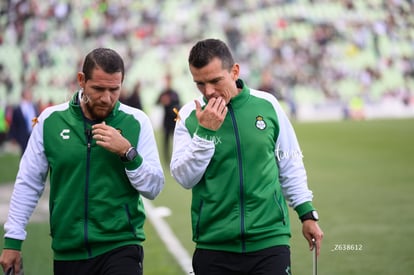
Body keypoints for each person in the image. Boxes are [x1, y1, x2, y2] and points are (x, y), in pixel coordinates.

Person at [0, 48, 164, 275]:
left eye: (114, 89)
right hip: (68, 252)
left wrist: (127, 152)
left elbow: (154, 187)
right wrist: (13, 241)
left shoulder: (137, 122)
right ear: (81, 80)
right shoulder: (50, 121)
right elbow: (28, 182)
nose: (106, 98)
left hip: (121, 246)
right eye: (98, 88)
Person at [170, 38, 323, 275]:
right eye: (199, 84)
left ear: (235, 71)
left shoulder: (268, 105)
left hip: (270, 241)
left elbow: (289, 162)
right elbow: (183, 177)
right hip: (214, 244)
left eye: (215, 81)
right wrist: (205, 133)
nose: (208, 91)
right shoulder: (189, 115)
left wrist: (307, 214)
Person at [156, 73, 180, 163]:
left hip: (174, 121)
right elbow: (156, 102)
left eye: (168, 80)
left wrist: (169, 103)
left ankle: (176, 157)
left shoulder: (174, 93)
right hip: (166, 121)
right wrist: (162, 100)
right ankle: (166, 159)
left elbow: (178, 105)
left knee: (175, 141)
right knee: (165, 142)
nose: (167, 82)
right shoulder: (163, 93)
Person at [8, 86, 39, 155]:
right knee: (24, 153)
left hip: (33, 133)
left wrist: (35, 127)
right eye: (29, 93)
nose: (31, 95)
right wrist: (13, 136)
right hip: (22, 135)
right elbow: (14, 123)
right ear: (23, 95)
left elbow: (35, 118)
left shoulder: (33, 106)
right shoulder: (18, 108)